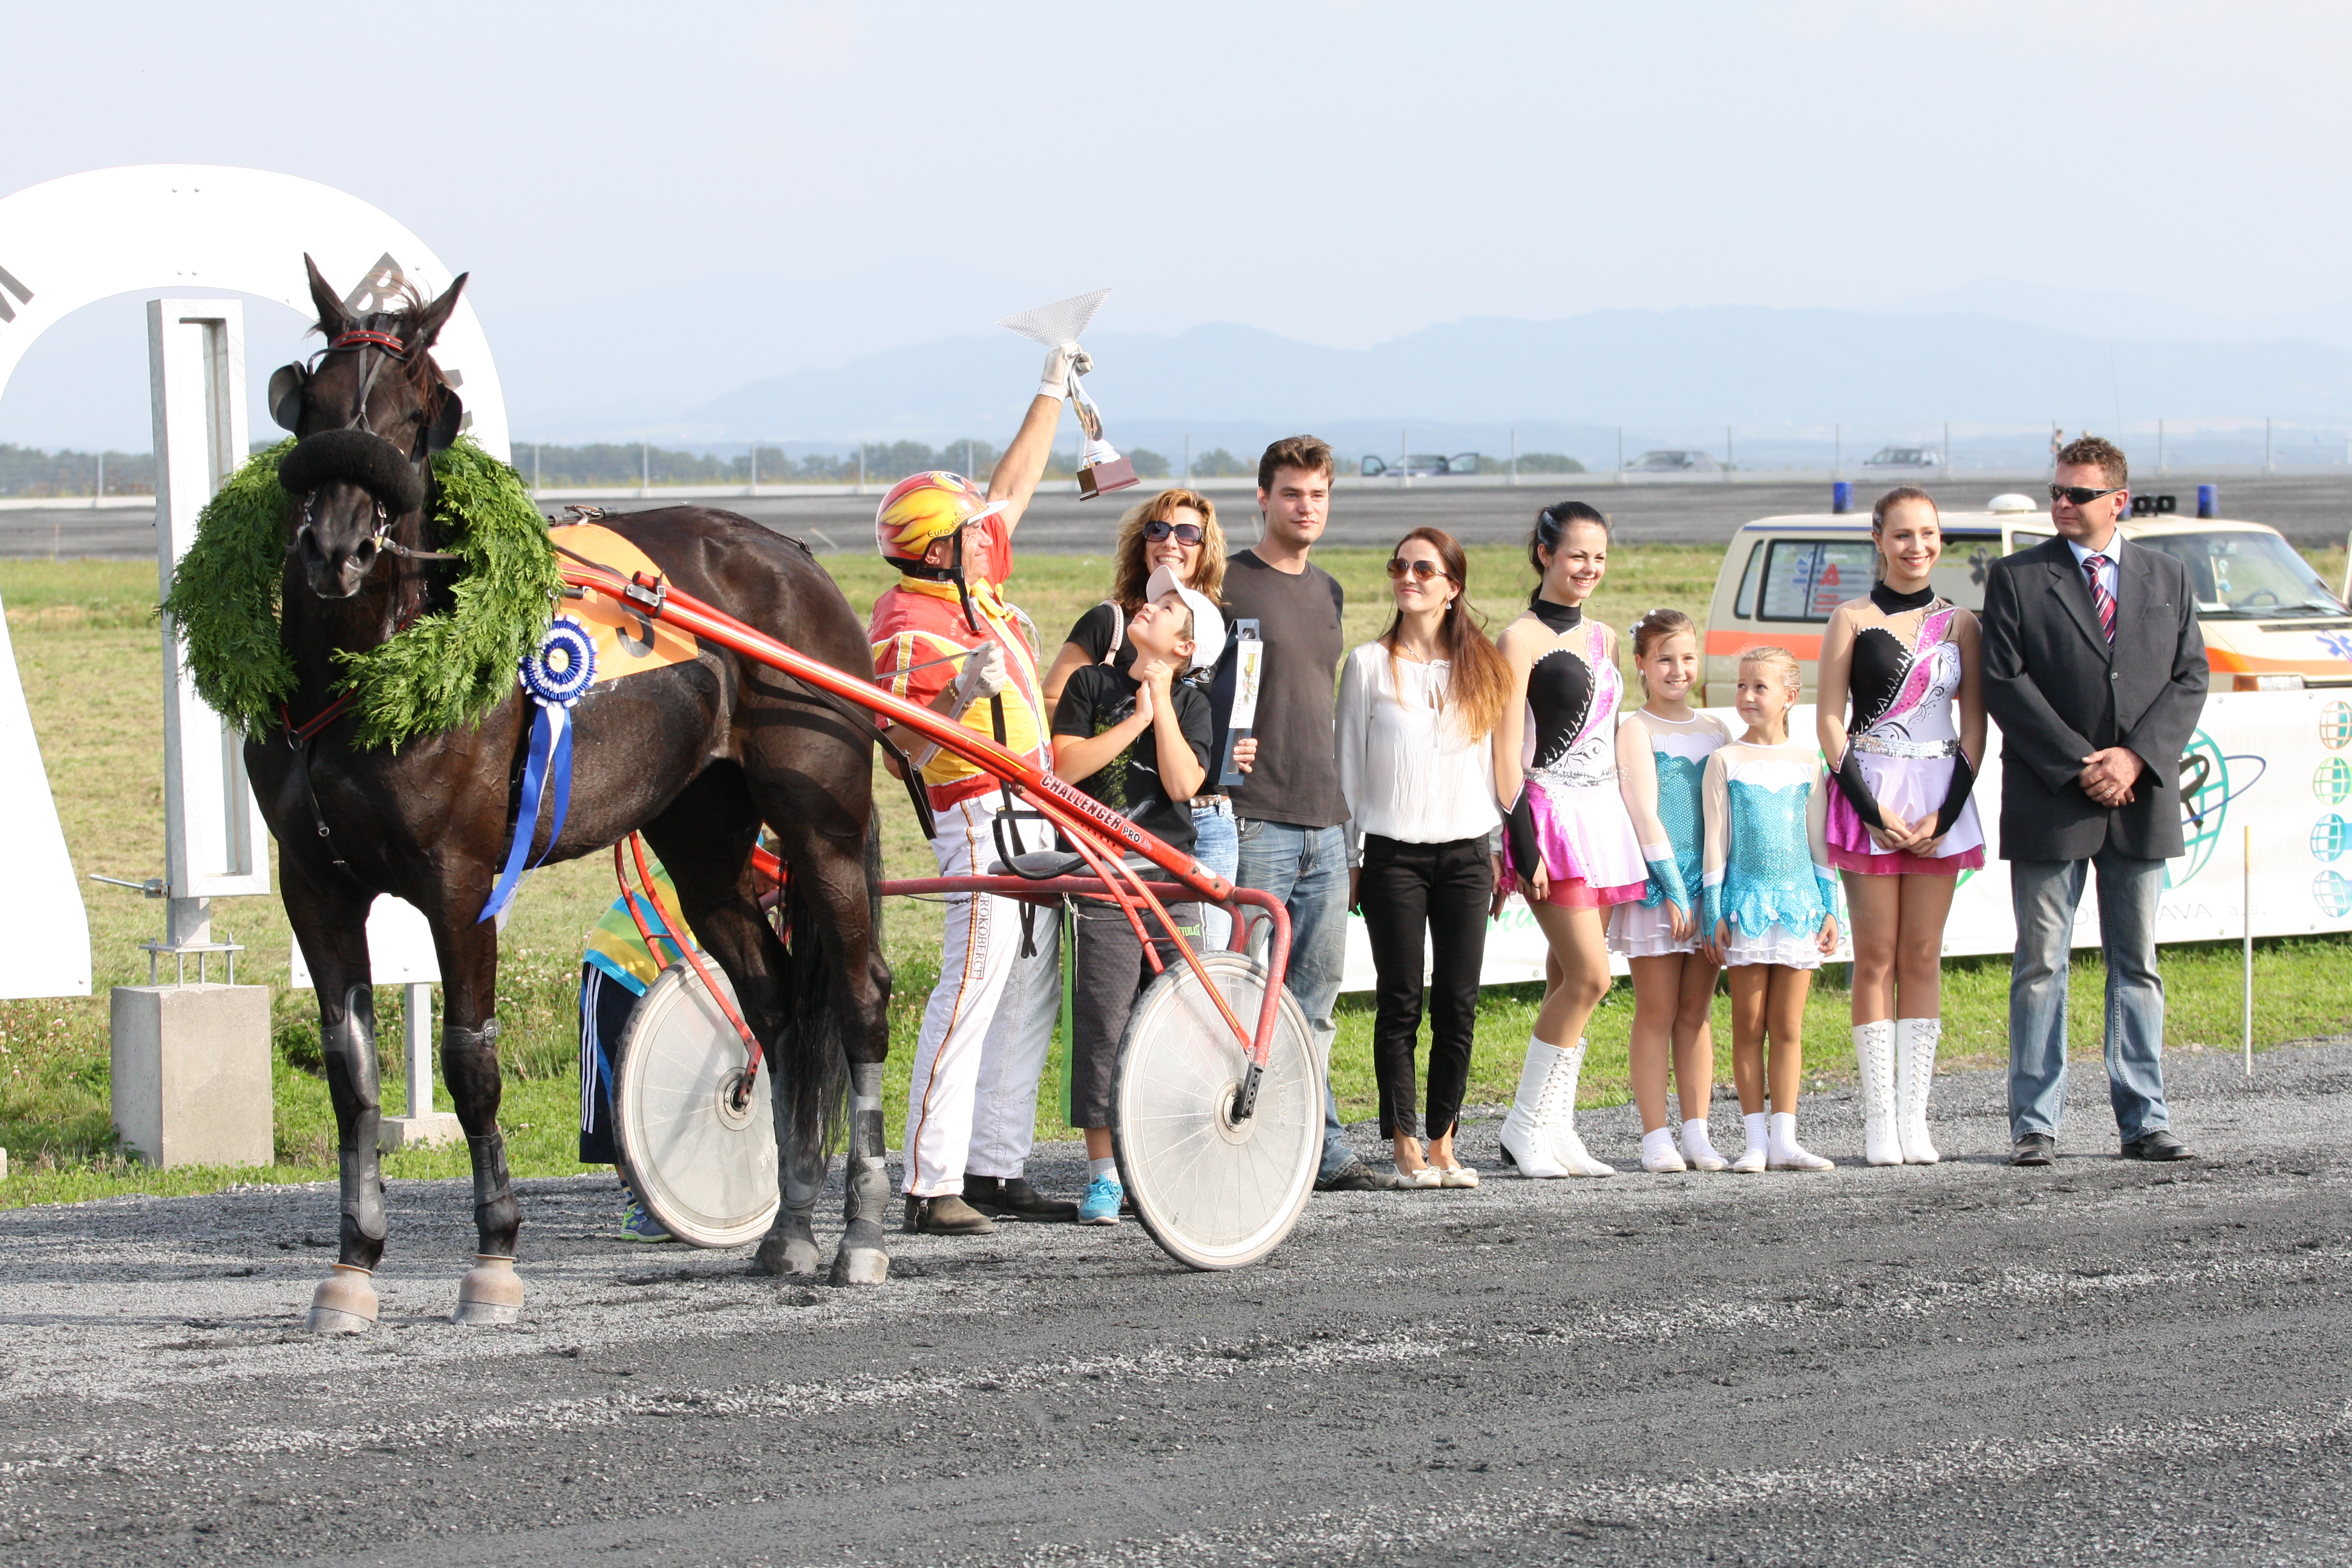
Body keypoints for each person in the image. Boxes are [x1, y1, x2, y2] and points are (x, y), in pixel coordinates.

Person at [866, 344, 1086, 1235]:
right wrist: (960, 692)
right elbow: (902, 752)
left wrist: (1053, 389)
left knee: (1028, 994)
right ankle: (928, 1182)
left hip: (1031, 807)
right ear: (936, 545)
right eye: (967, 526)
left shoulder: (972, 579)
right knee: (969, 992)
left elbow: (1016, 481)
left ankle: (995, 1167)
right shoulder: (906, 621)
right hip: (974, 818)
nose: (985, 528)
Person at [1982, 435, 2206, 1166]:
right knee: (2041, 960)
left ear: (2119, 501)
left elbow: (2189, 678)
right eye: (2057, 492)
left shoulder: (2169, 575)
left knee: (2136, 961)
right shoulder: (2018, 578)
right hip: (2054, 799)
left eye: (2077, 494)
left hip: (2139, 798)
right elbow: (2006, 683)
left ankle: (2145, 1119)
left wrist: (2135, 757)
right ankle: (2034, 1125)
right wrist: (2084, 764)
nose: (2062, 505)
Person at [1222, 435, 1395, 1193]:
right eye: (1293, 494)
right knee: (1245, 991)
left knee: (1315, 1002)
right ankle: (1244, 1135)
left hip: (1325, 822)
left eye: (1319, 495)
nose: (1307, 507)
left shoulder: (1330, 591)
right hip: (1255, 817)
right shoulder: (1225, 582)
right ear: (1263, 498)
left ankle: (1316, 1147)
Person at [1816, 486, 1986, 1167]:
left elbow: (1975, 724)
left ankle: (1916, 1118)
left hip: (1940, 796)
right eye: (1903, 535)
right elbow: (1831, 718)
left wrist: (1945, 813)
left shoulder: (1962, 624)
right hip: (1873, 792)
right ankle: (1878, 1121)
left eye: (1929, 534)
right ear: (1879, 541)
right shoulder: (1851, 619)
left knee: (1922, 956)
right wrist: (1869, 808)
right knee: (1875, 958)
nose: (1917, 547)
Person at [1336, 528, 1508, 1189]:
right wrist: (1351, 856)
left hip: (1468, 854)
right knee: (1401, 1001)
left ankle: (1445, 1143)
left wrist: (1497, 853)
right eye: (1399, 566)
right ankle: (1405, 1144)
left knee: (1459, 1004)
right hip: (1391, 855)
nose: (1408, 577)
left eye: (1423, 569)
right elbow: (1348, 767)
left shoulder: (1485, 665)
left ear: (1452, 585)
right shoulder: (1368, 665)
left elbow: (1495, 771)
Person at [1051, 573, 1221, 1224]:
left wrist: (1163, 706)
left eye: (1171, 607)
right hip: (1103, 878)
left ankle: (1173, 1157)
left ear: (1186, 647)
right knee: (1102, 1023)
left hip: (1170, 882)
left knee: (1186, 1024)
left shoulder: (1197, 705)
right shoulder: (1092, 684)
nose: (1152, 604)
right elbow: (1064, 768)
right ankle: (1103, 1175)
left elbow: (1183, 785)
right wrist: (1135, 722)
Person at [1492, 502, 1648, 1179]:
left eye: (1600, 557)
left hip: (1601, 816)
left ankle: (1558, 1127)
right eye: (1577, 554)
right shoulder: (1518, 639)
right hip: (1547, 814)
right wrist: (1522, 843)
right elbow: (1503, 754)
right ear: (1545, 553)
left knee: (1568, 978)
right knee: (1592, 975)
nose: (1589, 568)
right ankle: (1524, 1125)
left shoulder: (1607, 638)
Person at [1040, 488, 1238, 947]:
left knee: (1194, 978)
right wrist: (1126, 719)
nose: (1171, 541)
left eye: (1187, 532)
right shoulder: (1110, 631)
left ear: (1205, 549)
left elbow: (1202, 742)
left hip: (1200, 818)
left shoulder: (1216, 626)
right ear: (1142, 540)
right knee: (1111, 979)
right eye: (1158, 529)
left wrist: (1237, 747)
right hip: (1113, 834)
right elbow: (1056, 726)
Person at [1700, 647, 1840, 1173]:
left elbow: (1819, 844)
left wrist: (1831, 908)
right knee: (1748, 1023)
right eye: (1741, 686)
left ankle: (1786, 1138)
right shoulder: (1726, 761)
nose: (1748, 697)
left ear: (1790, 696)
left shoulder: (1808, 763)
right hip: (1745, 908)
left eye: (1760, 687)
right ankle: (1754, 1140)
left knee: (1787, 1026)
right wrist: (1715, 908)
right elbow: (1718, 842)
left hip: (1799, 908)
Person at [1609, 608, 1732, 1173]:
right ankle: (1655, 1134)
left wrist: (1715, 891)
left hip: (1708, 890)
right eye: (1664, 659)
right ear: (1642, 664)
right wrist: (1676, 890)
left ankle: (1699, 1131)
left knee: (1697, 1012)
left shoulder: (1716, 731)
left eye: (1687, 658)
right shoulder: (1636, 729)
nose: (1678, 670)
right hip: (1661, 890)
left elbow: (1726, 815)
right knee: (1656, 1011)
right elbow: (1643, 813)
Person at [578, 854, 697, 1243]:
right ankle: (638, 1203)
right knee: (616, 1086)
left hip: (672, 964)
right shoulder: (754, 837)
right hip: (620, 962)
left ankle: (679, 1190)